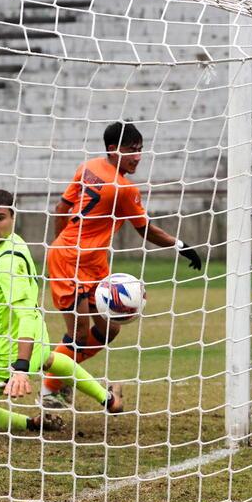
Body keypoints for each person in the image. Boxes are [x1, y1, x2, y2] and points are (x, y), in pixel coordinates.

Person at [43, 122, 203, 408]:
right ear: (112, 150)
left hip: (90, 261)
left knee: (110, 329)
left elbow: (61, 208)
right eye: (131, 150)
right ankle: (51, 389)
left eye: (140, 150)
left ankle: (62, 378)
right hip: (70, 262)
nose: (137, 156)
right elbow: (147, 231)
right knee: (78, 334)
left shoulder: (88, 167)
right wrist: (181, 246)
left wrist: (61, 242)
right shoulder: (123, 189)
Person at [0, 188, 123, 433]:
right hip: (38, 337)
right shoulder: (8, 243)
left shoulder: (8, 262)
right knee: (51, 359)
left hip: (6, 356)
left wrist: (20, 368)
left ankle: (30, 423)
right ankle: (109, 399)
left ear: (13, 217)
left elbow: (22, 313)